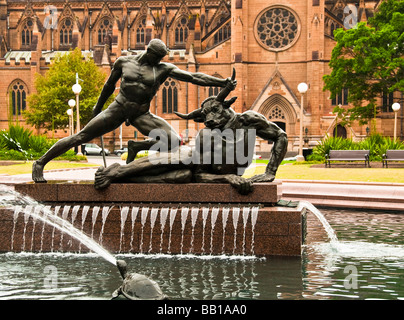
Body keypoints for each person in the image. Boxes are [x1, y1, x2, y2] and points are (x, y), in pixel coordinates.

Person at [32, 39, 236, 182]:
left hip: (141, 114)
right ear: (149, 52)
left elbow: (193, 77)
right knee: (81, 137)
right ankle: (40, 163)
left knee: (173, 140)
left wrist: (222, 82)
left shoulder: (163, 69)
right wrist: (97, 108)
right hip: (119, 108)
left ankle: (135, 150)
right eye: (157, 57)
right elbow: (108, 86)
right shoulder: (124, 62)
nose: (159, 61)